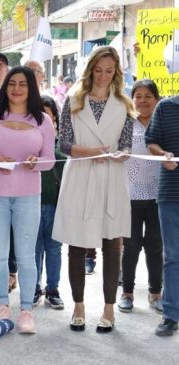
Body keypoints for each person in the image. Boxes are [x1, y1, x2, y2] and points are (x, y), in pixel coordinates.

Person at [53, 46, 135, 334]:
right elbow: (63, 144)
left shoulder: (124, 104)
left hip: (111, 177)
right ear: (90, 70)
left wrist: (120, 154)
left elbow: (127, 145)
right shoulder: (74, 101)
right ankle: (78, 306)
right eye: (98, 69)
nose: (103, 75)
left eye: (109, 70)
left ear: (116, 72)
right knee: (76, 244)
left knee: (113, 244)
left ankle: (109, 309)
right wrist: (91, 152)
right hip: (80, 175)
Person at [0, 66, 55, 333]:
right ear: (6, 87)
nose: (17, 89)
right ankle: (3, 307)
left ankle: (27, 310)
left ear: (31, 88)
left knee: (26, 256)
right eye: (12, 83)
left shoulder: (43, 120)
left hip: (28, 195)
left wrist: (36, 163)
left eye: (23, 84)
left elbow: (49, 159)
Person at [118, 79, 163, 315]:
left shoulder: (162, 123)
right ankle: (127, 293)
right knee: (131, 246)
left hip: (159, 196)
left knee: (155, 246)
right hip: (130, 194)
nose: (143, 101)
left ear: (156, 99)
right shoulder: (126, 123)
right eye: (138, 96)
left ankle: (156, 293)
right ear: (132, 99)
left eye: (148, 96)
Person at [145, 85, 179, 337]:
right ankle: (171, 314)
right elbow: (151, 141)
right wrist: (163, 154)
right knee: (173, 256)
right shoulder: (165, 107)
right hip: (170, 194)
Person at [34, 96, 66, 309]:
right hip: (31, 204)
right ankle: (33, 287)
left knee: (54, 248)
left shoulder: (61, 147)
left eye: (48, 114)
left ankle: (52, 288)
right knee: (33, 249)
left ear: (55, 118)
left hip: (55, 206)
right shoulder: (27, 143)